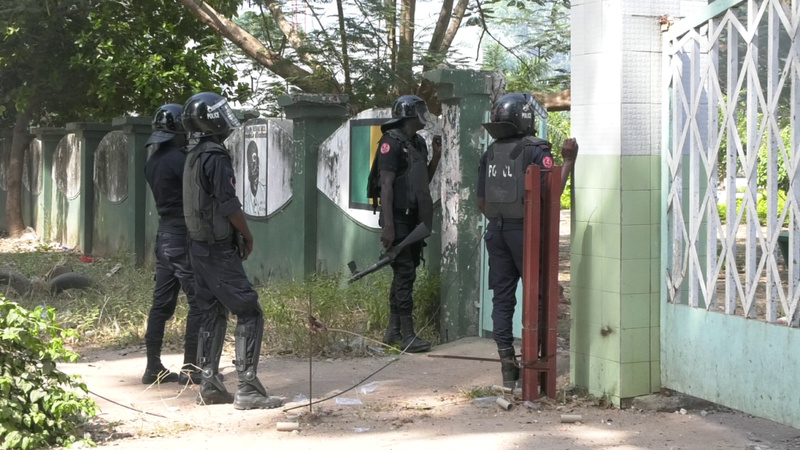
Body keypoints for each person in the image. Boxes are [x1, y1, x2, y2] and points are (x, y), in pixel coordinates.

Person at [181, 92, 281, 410]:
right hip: (217, 250)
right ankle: (248, 388)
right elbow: (228, 204)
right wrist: (247, 234)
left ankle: (210, 383)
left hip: (197, 247)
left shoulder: (194, 155)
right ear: (211, 120)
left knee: (211, 311)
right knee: (249, 311)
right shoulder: (216, 156)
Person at [477, 92, 578, 389]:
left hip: (496, 233)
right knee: (538, 296)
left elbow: (482, 201)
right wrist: (568, 162)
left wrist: (502, 222)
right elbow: (551, 193)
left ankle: (508, 371)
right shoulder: (536, 150)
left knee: (502, 300)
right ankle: (535, 369)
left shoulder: (491, 152)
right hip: (525, 233)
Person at [374, 95, 442, 353]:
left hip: (415, 219)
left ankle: (393, 331)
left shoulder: (418, 143)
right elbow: (387, 185)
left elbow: (423, 180)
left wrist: (435, 157)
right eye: (420, 112)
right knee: (405, 274)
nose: (424, 116)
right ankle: (407, 336)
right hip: (398, 219)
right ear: (410, 115)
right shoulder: (390, 143)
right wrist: (388, 225)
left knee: (405, 273)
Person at [141, 103, 202, 385]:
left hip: (163, 235)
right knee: (198, 301)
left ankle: (152, 366)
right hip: (183, 235)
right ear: (179, 129)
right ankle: (191, 367)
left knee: (161, 305)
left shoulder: (152, 161)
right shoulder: (183, 160)